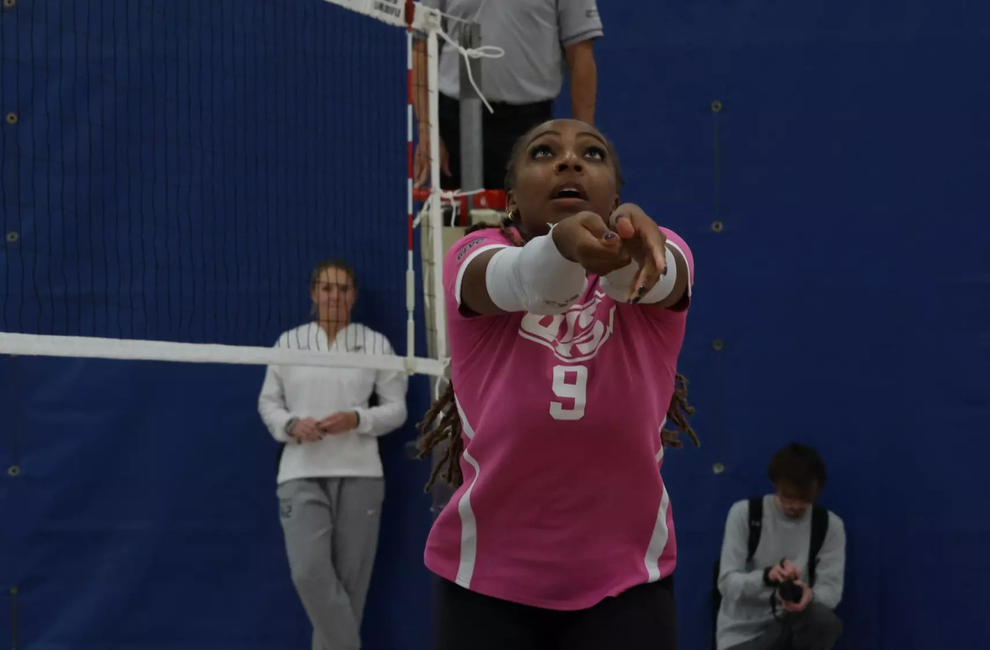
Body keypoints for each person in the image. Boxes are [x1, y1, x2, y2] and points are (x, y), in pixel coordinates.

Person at [414, 118, 698, 650]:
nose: (569, 161)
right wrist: (562, 247)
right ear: (513, 197)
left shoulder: (662, 249)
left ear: (616, 193)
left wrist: (638, 250)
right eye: (544, 152)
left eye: (591, 155)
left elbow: (663, 276)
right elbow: (524, 279)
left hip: (627, 582)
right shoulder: (472, 255)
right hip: (487, 582)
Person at [257, 259, 408, 650]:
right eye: (327, 288)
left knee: (351, 584)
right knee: (309, 574)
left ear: (354, 296)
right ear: (313, 293)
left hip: (361, 475)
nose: (335, 296)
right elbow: (268, 404)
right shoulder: (288, 343)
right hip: (300, 472)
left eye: (343, 289)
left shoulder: (375, 343)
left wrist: (356, 419)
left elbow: (396, 409)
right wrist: (291, 425)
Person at [413, 0, 603, 190]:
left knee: (524, 217)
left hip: (526, 127)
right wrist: (427, 129)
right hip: (454, 126)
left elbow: (580, 56)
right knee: (453, 217)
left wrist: (583, 139)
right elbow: (422, 46)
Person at [716, 443, 846, 650]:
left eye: (804, 498)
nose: (795, 505)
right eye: (788, 496)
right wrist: (766, 577)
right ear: (775, 486)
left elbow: (831, 590)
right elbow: (726, 583)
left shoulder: (830, 526)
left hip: (794, 626)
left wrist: (808, 595)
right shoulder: (745, 514)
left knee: (824, 621)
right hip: (742, 636)